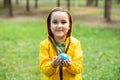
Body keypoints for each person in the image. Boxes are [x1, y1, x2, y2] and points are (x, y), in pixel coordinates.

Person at [39, 7, 83, 80]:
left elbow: (78, 68)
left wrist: (70, 65)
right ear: (49, 25)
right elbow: (44, 70)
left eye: (63, 22)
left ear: (69, 25)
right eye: (55, 22)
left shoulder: (75, 43)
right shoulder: (44, 45)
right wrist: (53, 65)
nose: (59, 26)